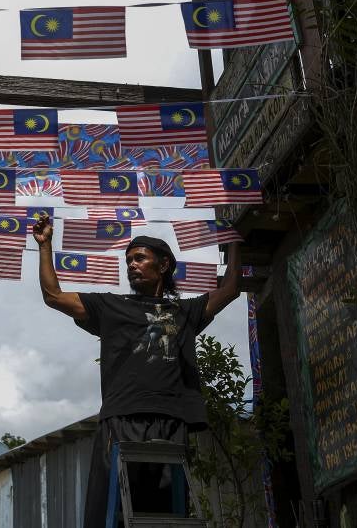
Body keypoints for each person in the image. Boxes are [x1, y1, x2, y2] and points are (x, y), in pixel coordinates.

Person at [32, 213, 241, 526]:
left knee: (165, 512)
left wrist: (234, 243)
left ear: (164, 265)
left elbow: (230, 290)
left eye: (140, 258)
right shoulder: (110, 307)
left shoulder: (183, 311)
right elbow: (54, 297)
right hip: (122, 419)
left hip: (170, 422)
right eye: (129, 260)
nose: (132, 264)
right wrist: (45, 245)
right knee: (111, 511)